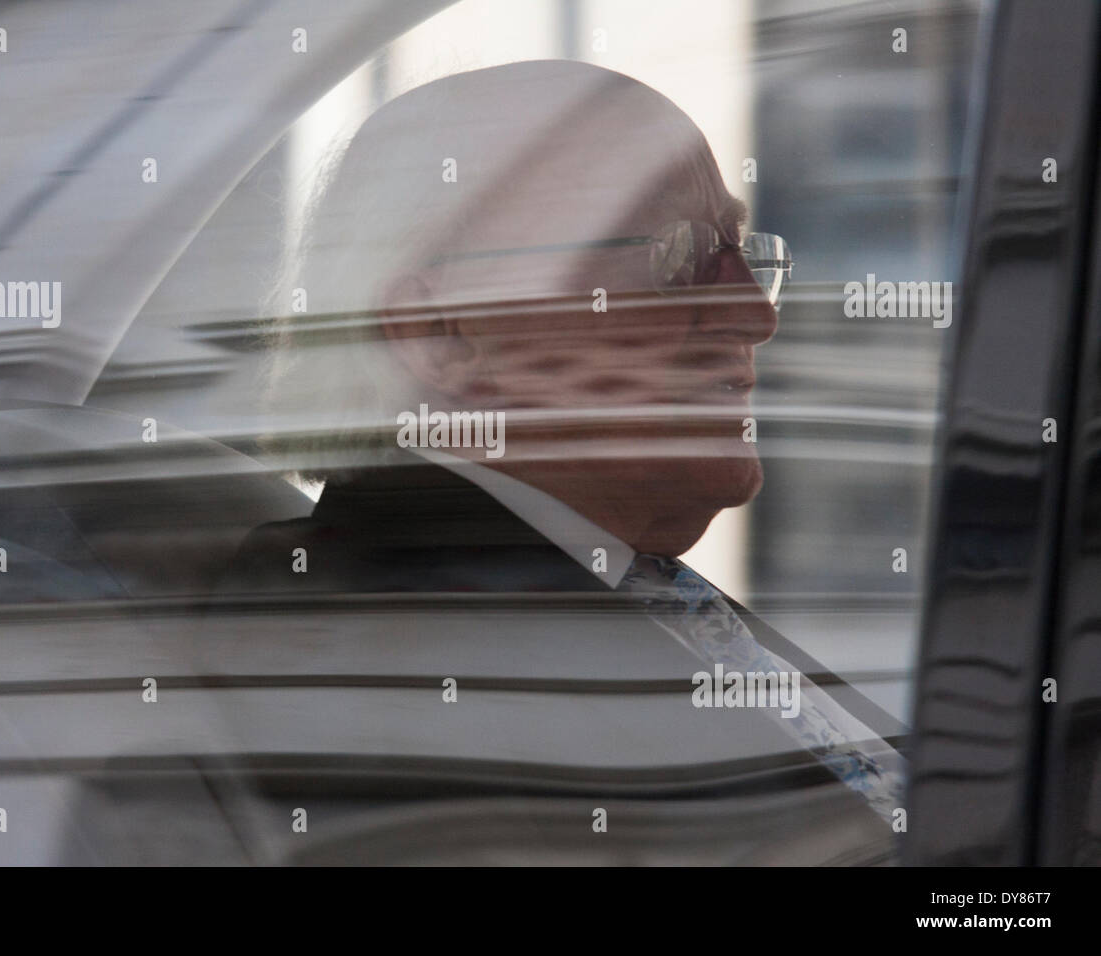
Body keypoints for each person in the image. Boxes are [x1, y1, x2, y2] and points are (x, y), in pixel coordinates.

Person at [232, 59, 904, 827]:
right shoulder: (400, 654)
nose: (755, 315)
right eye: (679, 258)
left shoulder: (596, 590)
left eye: (742, 254)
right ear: (443, 334)